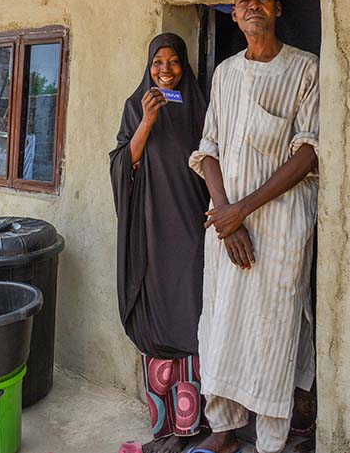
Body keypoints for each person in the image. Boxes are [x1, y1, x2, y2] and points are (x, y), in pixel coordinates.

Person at [188, 0, 319, 453]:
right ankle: (222, 429)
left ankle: (270, 441)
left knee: (273, 330)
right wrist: (225, 216)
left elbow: (308, 154)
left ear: (278, 9)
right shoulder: (224, 74)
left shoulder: (304, 69)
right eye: (243, 0)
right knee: (222, 322)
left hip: (280, 225)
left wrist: (240, 211)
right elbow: (209, 149)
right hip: (225, 226)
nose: (253, 4)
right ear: (234, 13)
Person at [110, 33, 211, 453]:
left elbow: (216, 158)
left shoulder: (200, 108)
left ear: (184, 66)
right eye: (157, 63)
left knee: (192, 320)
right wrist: (148, 121)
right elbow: (121, 164)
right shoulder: (136, 107)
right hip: (150, 233)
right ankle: (164, 426)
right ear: (148, 67)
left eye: (173, 62)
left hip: (191, 232)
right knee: (156, 320)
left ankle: (193, 426)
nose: (165, 69)